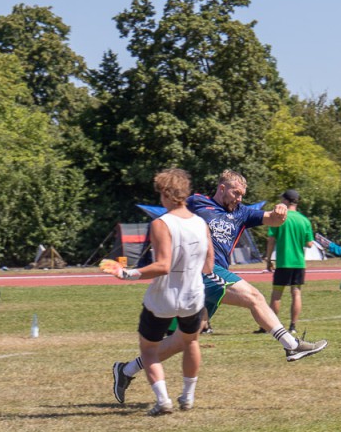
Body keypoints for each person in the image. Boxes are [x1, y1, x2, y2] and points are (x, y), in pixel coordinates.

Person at [109, 170, 328, 397]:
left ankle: (126, 370)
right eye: (236, 193)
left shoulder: (242, 212)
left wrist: (280, 212)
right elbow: (172, 218)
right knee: (254, 297)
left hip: (214, 274)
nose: (239, 198)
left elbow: (272, 219)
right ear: (222, 188)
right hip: (203, 271)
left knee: (183, 340)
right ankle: (291, 345)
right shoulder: (197, 202)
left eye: (242, 195)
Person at [101, 169, 214, 415]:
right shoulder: (201, 223)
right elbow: (209, 265)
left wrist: (127, 273)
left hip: (164, 297)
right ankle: (188, 396)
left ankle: (163, 400)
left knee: (149, 349)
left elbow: (163, 266)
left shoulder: (161, 223)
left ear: (166, 193)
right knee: (191, 341)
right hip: (193, 295)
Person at [259, 189, 315, 335]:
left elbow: (271, 240)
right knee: (296, 293)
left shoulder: (279, 218)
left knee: (277, 295)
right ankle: (293, 326)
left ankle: (271, 327)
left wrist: (269, 259)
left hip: (284, 261)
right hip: (299, 263)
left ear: (285, 201)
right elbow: (309, 243)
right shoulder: (304, 220)